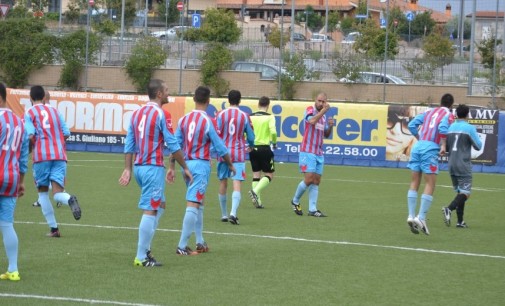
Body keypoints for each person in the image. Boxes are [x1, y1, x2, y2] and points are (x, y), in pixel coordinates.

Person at [119, 79, 191, 267]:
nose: (169, 93)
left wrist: (128, 168)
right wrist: (184, 167)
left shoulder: (136, 114)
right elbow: (173, 144)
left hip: (140, 168)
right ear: (159, 94)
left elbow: (129, 144)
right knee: (151, 209)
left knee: (161, 204)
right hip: (152, 168)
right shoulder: (161, 114)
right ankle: (141, 256)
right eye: (167, 90)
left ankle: (146, 249)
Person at [174, 86, 234, 255]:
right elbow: (220, 147)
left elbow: (175, 145)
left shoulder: (184, 119)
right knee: (193, 203)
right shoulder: (208, 121)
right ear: (208, 101)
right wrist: (230, 164)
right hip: (200, 166)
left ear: (194, 98)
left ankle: (200, 241)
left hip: (185, 166)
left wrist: (172, 166)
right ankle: (182, 246)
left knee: (199, 201)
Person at [24, 85, 81, 238]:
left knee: (43, 194)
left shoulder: (29, 112)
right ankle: (69, 199)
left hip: (42, 157)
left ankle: (54, 229)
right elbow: (66, 133)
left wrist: (30, 150)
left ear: (30, 98)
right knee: (57, 193)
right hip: (60, 155)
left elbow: (30, 135)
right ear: (44, 97)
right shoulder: (55, 111)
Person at [406, 93, 454, 235]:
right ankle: (421, 218)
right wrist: (443, 145)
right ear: (451, 105)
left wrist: (419, 138)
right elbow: (443, 128)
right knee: (430, 184)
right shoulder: (448, 114)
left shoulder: (429, 111)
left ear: (440, 102)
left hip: (418, 147)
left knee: (414, 182)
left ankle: (410, 215)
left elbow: (411, 125)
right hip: (430, 149)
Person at [0, 83, 29, 281]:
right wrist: (22, 181)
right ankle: (13, 269)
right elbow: (23, 157)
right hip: (11, 178)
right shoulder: (19, 122)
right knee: (7, 224)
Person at [291, 92, 334, 217]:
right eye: (319, 101)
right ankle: (295, 200)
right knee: (309, 179)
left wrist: (330, 127)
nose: (321, 103)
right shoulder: (310, 110)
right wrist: (324, 111)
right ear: (315, 100)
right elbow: (312, 121)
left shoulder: (324, 117)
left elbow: (325, 134)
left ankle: (312, 209)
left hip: (319, 152)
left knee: (316, 181)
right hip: (307, 150)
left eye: (323, 101)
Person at [216, 90, 255, 224]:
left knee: (223, 181)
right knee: (236, 182)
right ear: (240, 100)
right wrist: (251, 145)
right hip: (238, 153)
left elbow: (216, 134)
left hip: (223, 152)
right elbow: (250, 136)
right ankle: (233, 213)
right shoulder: (244, 116)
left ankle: (224, 214)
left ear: (228, 100)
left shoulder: (220, 114)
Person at [442, 104, 482, 228]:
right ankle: (449, 208)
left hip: (451, 164)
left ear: (456, 115)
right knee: (466, 193)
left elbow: (447, 147)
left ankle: (460, 222)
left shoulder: (451, 127)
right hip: (463, 164)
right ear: (467, 115)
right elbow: (478, 146)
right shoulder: (469, 128)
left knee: (460, 192)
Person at [248, 96, 277, 209]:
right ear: (268, 105)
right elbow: (273, 132)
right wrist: (274, 143)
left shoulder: (251, 117)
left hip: (252, 148)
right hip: (264, 148)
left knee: (256, 174)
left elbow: (246, 132)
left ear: (258, 104)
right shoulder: (269, 117)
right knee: (269, 175)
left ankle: (258, 202)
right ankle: (255, 191)